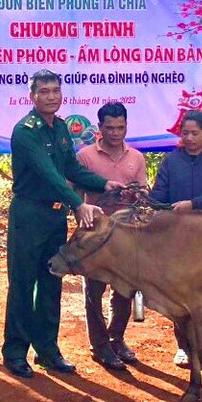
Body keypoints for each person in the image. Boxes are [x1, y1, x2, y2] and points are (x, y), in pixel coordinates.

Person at [2, 70, 117, 379]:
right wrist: (78, 203)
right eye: (44, 91)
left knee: (52, 282)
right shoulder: (26, 131)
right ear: (32, 96)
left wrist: (106, 184)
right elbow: (48, 174)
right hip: (29, 215)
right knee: (24, 283)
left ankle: (47, 350)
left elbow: (71, 168)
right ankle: (15, 352)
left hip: (54, 217)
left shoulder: (62, 128)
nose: (51, 96)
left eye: (55, 90)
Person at [149, 109, 202, 371]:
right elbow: (158, 196)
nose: (189, 138)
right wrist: (161, 205)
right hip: (178, 238)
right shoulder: (171, 162)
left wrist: (193, 204)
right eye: (185, 133)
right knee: (180, 293)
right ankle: (184, 347)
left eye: (195, 133)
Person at [75, 102, 147, 371]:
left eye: (121, 127)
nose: (116, 133)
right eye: (110, 128)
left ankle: (117, 338)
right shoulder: (85, 157)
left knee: (124, 290)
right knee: (94, 290)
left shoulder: (136, 157)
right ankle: (100, 345)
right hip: (96, 235)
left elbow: (143, 192)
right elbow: (75, 196)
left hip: (127, 235)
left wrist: (136, 196)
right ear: (100, 128)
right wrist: (82, 226)